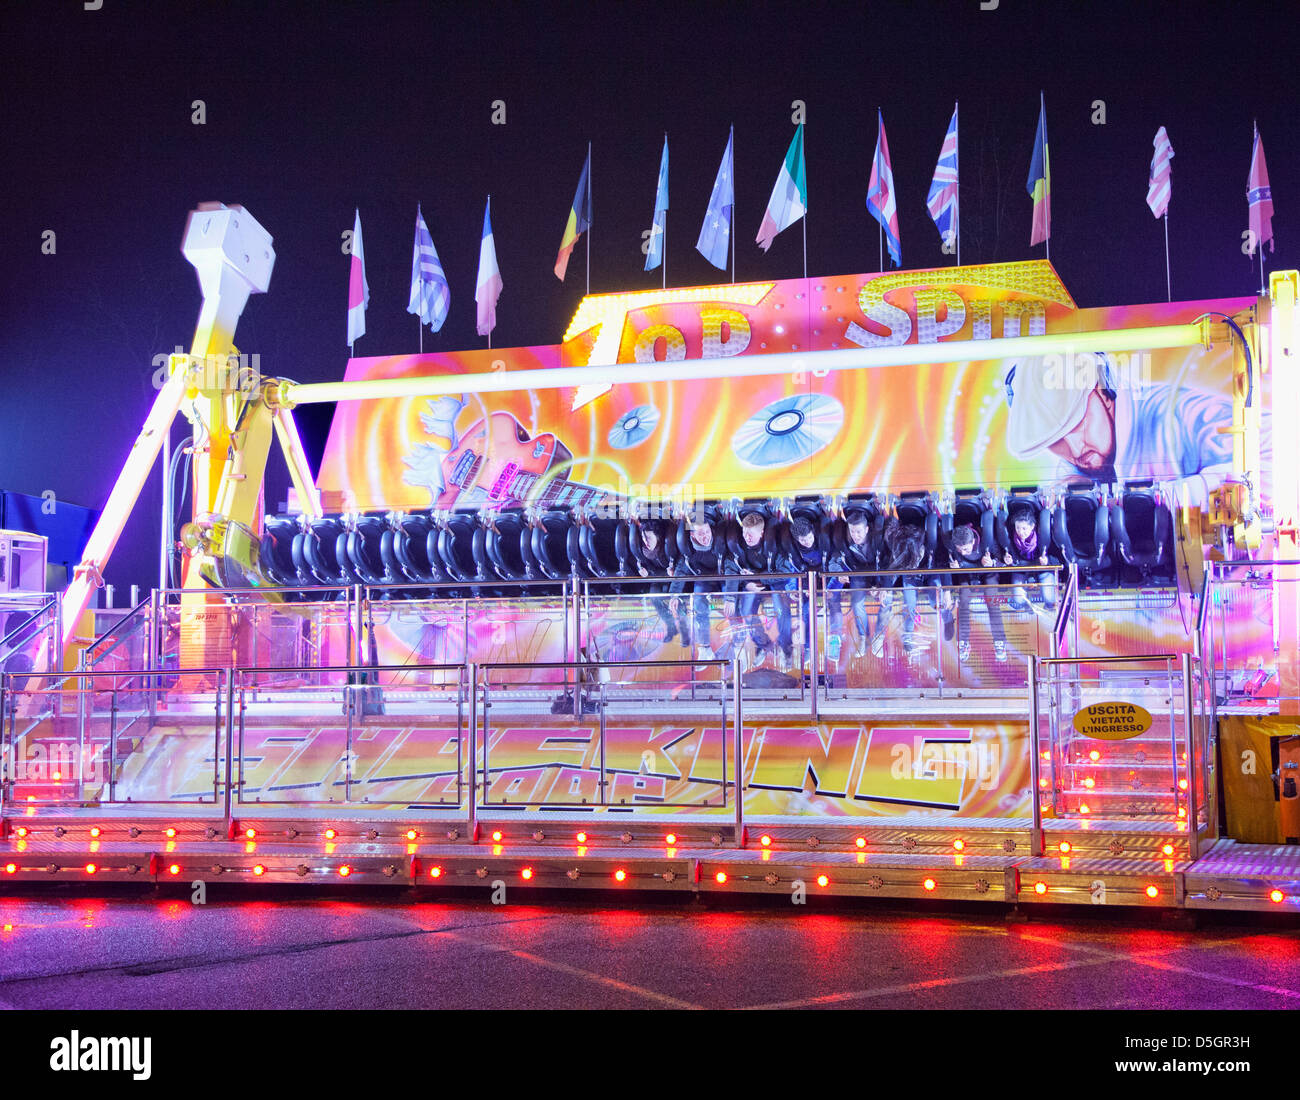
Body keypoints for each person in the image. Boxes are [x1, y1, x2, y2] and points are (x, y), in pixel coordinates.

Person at [784, 516, 844, 664]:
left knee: (834, 604)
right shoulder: (792, 550)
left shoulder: (825, 541)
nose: (808, 542)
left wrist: (830, 589)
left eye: (809, 537)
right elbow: (790, 571)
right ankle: (808, 647)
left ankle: (834, 641)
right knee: (806, 610)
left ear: (813, 532)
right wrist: (794, 590)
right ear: (797, 540)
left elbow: (837, 564)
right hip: (807, 583)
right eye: (803, 540)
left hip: (828, 579)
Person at [729, 512, 785, 669]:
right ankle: (764, 644)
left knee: (782, 608)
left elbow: (784, 572)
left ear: (761, 533)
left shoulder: (774, 546)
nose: (747, 537)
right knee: (746, 612)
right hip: (751, 585)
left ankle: (785, 646)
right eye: (745, 533)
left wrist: (759, 577)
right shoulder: (737, 547)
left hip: (772, 583)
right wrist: (746, 582)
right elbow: (730, 569)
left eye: (751, 534)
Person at [673, 515, 733, 661]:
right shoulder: (688, 550)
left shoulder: (720, 543)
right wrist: (674, 595)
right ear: (692, 535)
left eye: (707, 532)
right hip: (704, 579)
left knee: (733, 604)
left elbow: (731, 568)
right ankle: (705, 648)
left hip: (722, 577)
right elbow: (680, 572)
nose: (705, 536)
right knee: (699, 604)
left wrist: (730, 597)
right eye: (700, 534)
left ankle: (737, 644)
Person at [829, 509, 888, 658]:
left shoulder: (878, 540)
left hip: (879, 574)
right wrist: (839, 574)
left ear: (867, 529)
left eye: (859, 532)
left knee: (887, 600)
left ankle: (878, 637)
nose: (855, 536)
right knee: (856, 603)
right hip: (858, 574)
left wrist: (881, 586)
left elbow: (888, 563)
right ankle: (864, 638)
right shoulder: (844, 541)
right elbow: (833, 561)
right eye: (852, 532)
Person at [946, 523, 1007, 663]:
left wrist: (992, 563)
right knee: (963, 600)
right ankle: (963, 642)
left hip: (988, 574)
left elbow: (1003, 560)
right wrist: (953, 566)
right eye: (959, 550)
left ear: (973, 541)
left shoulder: (987, 540)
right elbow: (945, 562)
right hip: (965, 575)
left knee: (992, 600)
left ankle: (999, 642)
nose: (963, 553)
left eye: (966, 549)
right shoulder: (953, 546)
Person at [634, 519, 680, 643]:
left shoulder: (668, 548)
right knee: (654, 596)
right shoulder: (643, 551)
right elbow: (647, 568)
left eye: (648, 538)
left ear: (658, 537)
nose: (646, 542)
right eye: (644, 538)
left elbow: (677, 566)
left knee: (668, 593)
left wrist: (669, 572)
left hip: (672, 579)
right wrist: (644, 572)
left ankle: (681, 625)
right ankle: (670, 626)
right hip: (657, 577)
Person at [1003, 509, 1057, 612]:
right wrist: (1006, 559)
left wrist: (1047, 561)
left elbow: (1057, 557)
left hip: (1042, 568)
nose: (1020, 532)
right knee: (1018, 600)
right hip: (1021, 569)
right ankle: (1026, 607)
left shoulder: (1043, 536)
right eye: (1018, 528)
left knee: (1050, 599)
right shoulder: (1010, 538)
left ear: (1032, 526)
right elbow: (1005, 555)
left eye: (1024, 528)